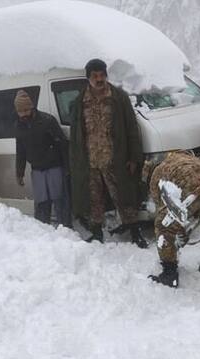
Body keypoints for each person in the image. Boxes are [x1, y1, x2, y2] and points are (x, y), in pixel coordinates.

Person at [69, 58, 147, 248]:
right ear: (88, 78)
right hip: (91, 162)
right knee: (94, 200)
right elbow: (76, 135)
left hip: (116, 159)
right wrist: (76, 162)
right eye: (95, 76)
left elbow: (131, 129)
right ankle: (97, 233)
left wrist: (134, 157)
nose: (99, 79)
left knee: (124, 197)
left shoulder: (119, 98)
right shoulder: (80, 102)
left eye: (102, 75)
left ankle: (135, 231)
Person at [145, 152, 200, 288]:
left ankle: (169, 273)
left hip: (191, 187)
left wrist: (177, 229)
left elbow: (162, 207)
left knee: (163, 225)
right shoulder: (190, 158)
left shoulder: (157, 172)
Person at [14, 90, 72, 227]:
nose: (23, 114)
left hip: (54, 167)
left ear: (31, 107)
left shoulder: (47, 120)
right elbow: (20, 151)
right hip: (37, 170)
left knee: (60, 201)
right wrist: (19, 173)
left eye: (26, 110)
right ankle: (42, 231)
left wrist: (67, 168)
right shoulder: (18, 126)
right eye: (20, 111)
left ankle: (66, 230)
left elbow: (62, 144)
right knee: (41, 203)